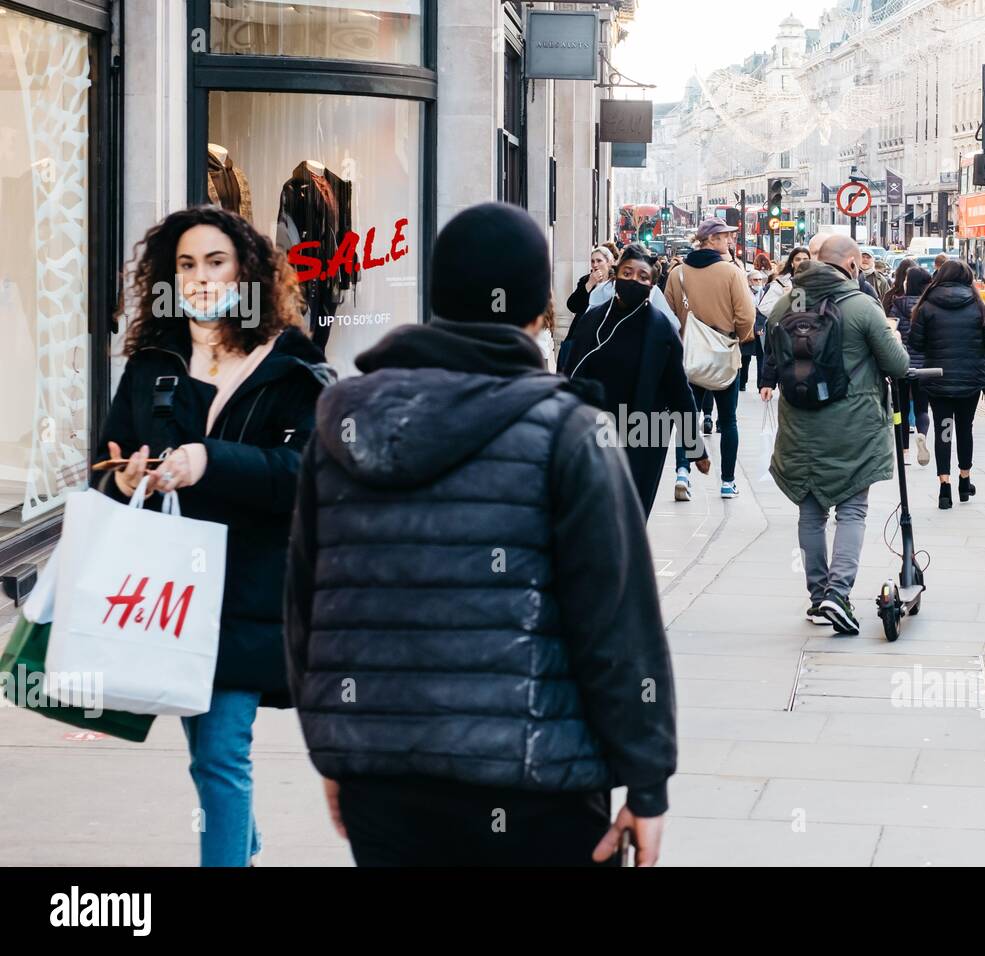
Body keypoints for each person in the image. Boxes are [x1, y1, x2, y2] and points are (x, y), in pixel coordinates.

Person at [286, 202, 676, 867]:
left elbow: (306, 605)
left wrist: (337, 747)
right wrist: (647, 780)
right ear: (535, 313)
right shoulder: (567, 432)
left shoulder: (342, 425)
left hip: (385, 780)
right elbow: (615, 620)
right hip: (533, 782)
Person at [100, 205, 333, 866]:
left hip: (250, 590)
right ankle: (243, 842)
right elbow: (107, 463)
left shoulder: (291, 366)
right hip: (170, 594)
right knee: (207, 757)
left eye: (215, 261)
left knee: (225, 750)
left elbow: (305, 475)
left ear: (247, 271)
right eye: (185, 264)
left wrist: (209, 462)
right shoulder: (153, 363)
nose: (199, 277)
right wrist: (124, 480)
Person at [759, 235, 910, 634]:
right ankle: (838, 594)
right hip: (852, 428)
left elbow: (771, 352)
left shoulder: (784, 304)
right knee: (851, 509)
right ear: (853, 265)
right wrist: (892, 339)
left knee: (810, 511)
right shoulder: (862, 306)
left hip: (799, 426)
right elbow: (897, 365)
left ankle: (817, 596)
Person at [563, 243, 709, 514]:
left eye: (643, 277)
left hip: (646, 433)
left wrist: (694, 446)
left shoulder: (661, 328)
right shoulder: (593, 321)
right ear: (615, 275)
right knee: (595, 510)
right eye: (627, 274)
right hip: (597, 430)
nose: (634, 281)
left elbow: (679, 389)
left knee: (631, 513)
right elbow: (571, 375)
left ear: (652, 285)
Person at [664, 217, 756, 500]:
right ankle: (727, 482)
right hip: (723, 353)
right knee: (727, 420)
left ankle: (683, 473)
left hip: (689, 356)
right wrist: (735, 338)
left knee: (686, 417)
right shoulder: (731, 273)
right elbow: (747, 316)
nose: (730, 240)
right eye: (725, 236)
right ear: (711, 240)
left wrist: (682, 337)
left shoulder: (677, 273)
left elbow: (667, 316)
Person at [907, 258, 985, 509]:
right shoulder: (977, 303)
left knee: (944, 428)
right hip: (970, 378)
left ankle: (944, 486)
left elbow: (915, 342)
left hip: (938, 377)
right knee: (965, 428)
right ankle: (964, 480)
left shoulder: (926, 304)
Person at [889, 265, 932, 465]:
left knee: (902, 410)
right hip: (924, 365)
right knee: (922, 409)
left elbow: (890, 332)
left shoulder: (897, 304)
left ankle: (904, 451)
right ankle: (921, 434)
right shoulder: (929, 306)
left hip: (901, 364)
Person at [566, 246, 616, 319]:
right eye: (592, 261)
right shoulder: (585, 280)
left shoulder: (615, 282)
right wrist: (589, 284)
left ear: (608, 262)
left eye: (599, 261)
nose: (595, 265)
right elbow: (572, 306)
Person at [739, 269, 767, 391]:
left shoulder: (765, 292)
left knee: (762, 357)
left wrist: (760, 326)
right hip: (748, 329)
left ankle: (761, 385)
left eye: (760, 279)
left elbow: (765, 311)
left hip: (761, 329)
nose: (758, 282)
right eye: (755, 280)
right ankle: (742, 382)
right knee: (745, 358)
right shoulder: (743, 293)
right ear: (749, 282)